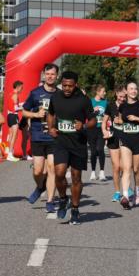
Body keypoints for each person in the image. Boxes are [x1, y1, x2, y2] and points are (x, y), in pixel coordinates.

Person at [47, 71, 94, 224]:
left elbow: (93, 120)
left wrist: (84, 125)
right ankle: (62, 199)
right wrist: (51, 128)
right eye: (64, 85)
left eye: (70, 86)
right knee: (59, 173)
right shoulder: (55, 97)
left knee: (76, 177)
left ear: (76, 85)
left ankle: (75, 208)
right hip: (61, 141)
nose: (67, 88)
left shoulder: (83, 100)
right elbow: (51, 113)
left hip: (78, 143)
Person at [21, 63, 60, 212]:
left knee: (52, 169)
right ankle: (40, 186)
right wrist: (36, 114)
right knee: (38, 171)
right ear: (44, 75)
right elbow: (24, 112)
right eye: (48, 74)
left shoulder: (60, 94)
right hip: (37, 135)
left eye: (53, 74)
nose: (50, 76)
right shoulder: (35, 93)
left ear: (57, 76)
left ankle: (50, 201)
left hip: (54, 137)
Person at [113, 81, 139, 209]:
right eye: (131, 89)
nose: (133, 91)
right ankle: (125, 196)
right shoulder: (122, 106)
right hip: (125, 140)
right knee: (126, 168)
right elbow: (120, 120)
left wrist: (137, 119)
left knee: (136, 170)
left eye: (135, 89)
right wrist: (117, 120)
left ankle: (137, 188)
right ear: (126, 91)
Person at [104, 85, 127, 202]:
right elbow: (104, 121)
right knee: (116, 167)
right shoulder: (111, 105)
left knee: (124, 167)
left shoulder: (128, 106)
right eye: (120, 96)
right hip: (113, 138)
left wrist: (122, 120)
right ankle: (118, 192)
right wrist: (104, 131)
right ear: (116, 95)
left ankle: (126, 189)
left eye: (124, 96)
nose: (122, 99)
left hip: (125, 138)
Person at [87, 85, 108, 181]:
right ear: (98, 92)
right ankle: (93, 172)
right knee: (93, 151)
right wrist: (93, 112)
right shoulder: (90, 102)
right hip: (92, 129)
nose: (105, 93)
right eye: (103, 91)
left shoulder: (106, 102)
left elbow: (109, 115)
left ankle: (102, 172)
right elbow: (86, 115)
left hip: (101, 129)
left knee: (100, 149)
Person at [5, 80, 24, 162]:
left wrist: (22, 104)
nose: (22, 89)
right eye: (22, 88)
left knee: (11, 134)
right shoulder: (15, 95)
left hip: (9, 115)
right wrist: (24, 107)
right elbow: (16, 108)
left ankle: (9, 152)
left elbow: (13, 106)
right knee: (14, 135)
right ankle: (10, 153)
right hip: (13, 115)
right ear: (18, 87)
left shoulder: (10, 94)